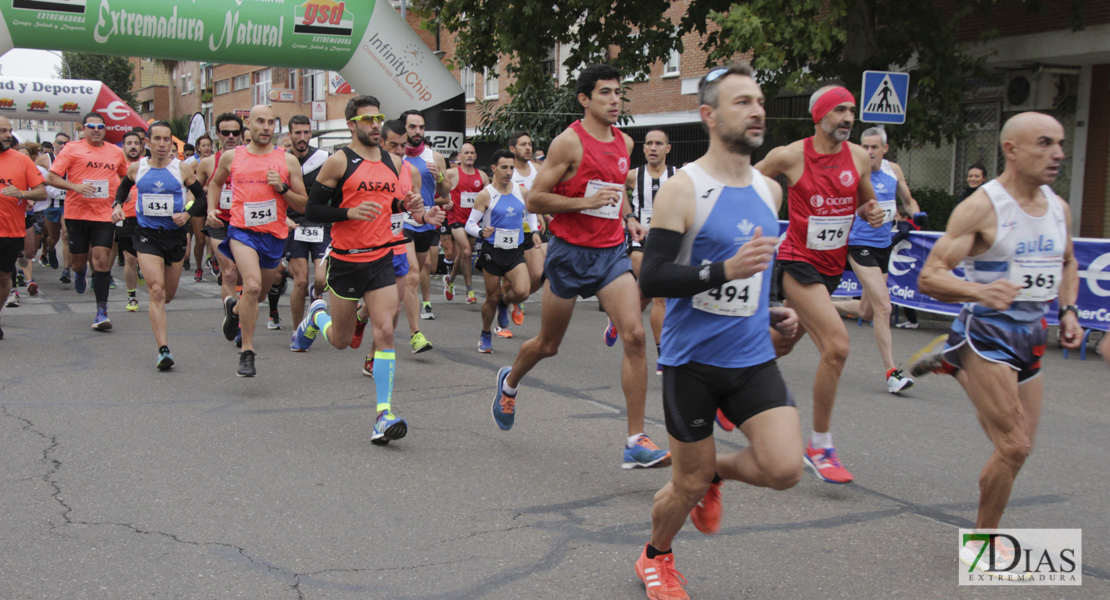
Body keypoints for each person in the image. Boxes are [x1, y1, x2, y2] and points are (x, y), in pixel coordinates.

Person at [633, 62, 803, 600]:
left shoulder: (768, 191)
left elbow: (758, 272)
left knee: (785, 469)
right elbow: (654, 275)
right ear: (708, 116)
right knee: (685, 483)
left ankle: (716, 472)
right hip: (692, 364)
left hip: (751, 357)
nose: (757, 110)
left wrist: (775, 309)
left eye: (759, 101)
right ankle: (654, 558)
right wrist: (722, 271)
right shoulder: (684, 190)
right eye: (742, 102)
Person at [908, 113, 1080, 570]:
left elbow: (1067, 263)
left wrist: (1068, 310)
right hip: (986, 334)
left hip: (1033, 336)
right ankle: (983, 546)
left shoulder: (1058, 208)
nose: (1058, 154)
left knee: (1019, 444)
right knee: (1014, 445)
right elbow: (931, 275)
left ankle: (949, 362)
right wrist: (980, 290)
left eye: (1060, 144)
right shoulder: (983, 208)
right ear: (1012, 149)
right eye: (1045, 143)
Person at [491, 64, 671, 469]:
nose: (613, 100)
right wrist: (583, 204)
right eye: (605, 92)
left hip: (610, 254)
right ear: (585, 99)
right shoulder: (568, 143)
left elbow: (614, 192)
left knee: (636, 335)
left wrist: (626, 216)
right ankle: (511, 381)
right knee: (548, 345)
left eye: (618, 92)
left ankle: (635, 440)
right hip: (569, 253)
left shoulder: (625, 143)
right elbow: (535, 200)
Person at [292, 95, 442, 444]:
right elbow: (313, 210)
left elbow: (394, 204)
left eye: (379, 118)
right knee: (342, 341)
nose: (375, 124)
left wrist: (419, 212)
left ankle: (383, 414)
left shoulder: (393, 162)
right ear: (352, 125)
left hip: (380, 258)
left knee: (385, 331)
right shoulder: (338, 162)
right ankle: (317, 316)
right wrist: (347, 213)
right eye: (368, 119)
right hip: (346, 260)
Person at [754, 84, 884, 484]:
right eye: (840, 110)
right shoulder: (789, 155)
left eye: (851, 111)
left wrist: (872, 212)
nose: (848, 118)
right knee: (837, 346)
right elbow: (748, 184)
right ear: (819, 116)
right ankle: (820, 444)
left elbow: (865, 202)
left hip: (832, 265)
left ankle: (735, 380)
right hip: (798, 262)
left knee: (786, 340)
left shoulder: (859, 157)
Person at [204, 105, 308, 377]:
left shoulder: (287, 161)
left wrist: (282, 188)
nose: (266, 127)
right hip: (242, 231)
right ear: (248, 124)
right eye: (260, 121)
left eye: (271, 122)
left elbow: (304, 204)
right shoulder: (231, 157)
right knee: (250, 286)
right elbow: (215, 183)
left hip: (273, 236)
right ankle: (247, 351)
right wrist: (211, 209)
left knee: (259, 294)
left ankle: (234, 309)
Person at [112, 121, 208, 370]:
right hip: (147, 236)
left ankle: (159, 304)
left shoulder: (182, 169)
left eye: (167, 140)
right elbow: (123, 188)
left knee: (168, 296)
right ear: (148, 143)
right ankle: (163, 350)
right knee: (156, 291)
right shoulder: (137, 168)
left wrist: (187, 215)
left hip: (175, 236)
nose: (163, 144)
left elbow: (202, 199)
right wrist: (117, 206)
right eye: (158, 139)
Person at [832, 127, 920, 393]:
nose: (868, 152)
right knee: (884, 306)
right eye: (864, 146)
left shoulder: (894, 171)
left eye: (873, 147)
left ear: (885, 148)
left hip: (884, 246)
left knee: (868, 311)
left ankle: (820, 304)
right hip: (860, 245)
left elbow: (908, 200)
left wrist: (916, 217)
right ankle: (892, 373)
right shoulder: (855, 171)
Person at [45, 112, 130, 330]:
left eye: (100, 126)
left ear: (105, 129)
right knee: (78, 261)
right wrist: (75, 187)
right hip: (77, 213)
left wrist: (122, 195)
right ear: (83, 128)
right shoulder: (72, 149)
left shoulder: (115, 151)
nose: (96, 130)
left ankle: (101, 312)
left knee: (101, 259)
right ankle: (80, 272)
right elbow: (51, 177)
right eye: (91, 126)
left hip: (104, 214)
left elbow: (125, 176)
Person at [357, 118, 426, 375]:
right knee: (371, 308)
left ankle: (374, 354)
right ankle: (361, 316)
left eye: (403, 146)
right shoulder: (364, 170)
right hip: (366, 244)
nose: (399, 151)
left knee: (394, 306)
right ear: (381, 142)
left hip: (396, 241)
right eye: (393, 146)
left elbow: (417, 212)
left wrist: (425, 214)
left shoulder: (412, 171)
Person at [466, 149, 535, 353]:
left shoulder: (521, 191)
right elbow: (469, 223)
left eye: (512, 167)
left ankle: (505, 304)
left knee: (523, 291)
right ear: (494, 168)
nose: (508, 172)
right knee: (492, 297)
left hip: (514, 250)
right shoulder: (486, 194)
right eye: (504, 167)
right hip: (492, 251)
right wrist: (480, 231)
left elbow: (531, 214)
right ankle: (486, 333)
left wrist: (536, 230)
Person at [620, 129, 676, 372]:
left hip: (668, 241)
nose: (653, 147)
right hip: (639, 241)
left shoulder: (678, 176)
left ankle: (617, 318)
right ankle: (663, 356)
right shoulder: (634, 175)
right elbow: (616, 184)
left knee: (642, 297)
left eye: (658, 144)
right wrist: (630, 215)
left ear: (668, 148)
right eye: (649, 144)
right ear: (643, 149)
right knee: (661, 295)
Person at [400, 109, 452, 326]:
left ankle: (372, 307)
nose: (418, 131)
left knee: (424, 268)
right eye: (412, 127)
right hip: (402, 220)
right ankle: (418, 323)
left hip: (428, 220)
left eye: (421, 127)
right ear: (403, 128)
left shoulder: (434, 156)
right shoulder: (395, 155)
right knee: (413, 273)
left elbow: (446, 191)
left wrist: (439, 176)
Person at [0, 117, 47, 338]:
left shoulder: (21, 160)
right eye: (2, 131)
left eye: (9, 131)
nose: (8, 135)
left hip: (10, 231)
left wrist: (21, 193)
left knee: (3, 278)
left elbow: (41, 192)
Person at [282, 115, 331, 329]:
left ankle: (315, 297)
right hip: (294, 224)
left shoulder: (324, 158)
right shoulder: (281, 160)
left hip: (321, 224)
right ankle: (298, 331)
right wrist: (283, 218)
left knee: (321, 280)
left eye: (306, 132)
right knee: (300, 281)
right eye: (297, 133)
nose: (302, 137)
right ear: (290, 135)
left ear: (311, 133)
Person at [196, 114, 243, 307]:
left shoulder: (251, 159)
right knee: (230, 270)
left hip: (244, 223)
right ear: (218, 135)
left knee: (241, 274)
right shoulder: (207, 163)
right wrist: (206, 210)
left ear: (241, 134)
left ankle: (239, 307)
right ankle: (232, 314)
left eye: (235, 132)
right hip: (219, 223)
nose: (231, 136)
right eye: (226, 132)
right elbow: (195, 193)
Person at [442, 142, 487, 306]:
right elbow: (438, 191)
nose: (469, 155)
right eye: (466, 153)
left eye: (472, 153)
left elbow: (490, 196)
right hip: (456, 220)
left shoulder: (482, 176)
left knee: (462, 254)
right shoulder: (452, 173)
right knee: (467, 252)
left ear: (475, 156)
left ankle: (450, 279)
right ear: (460, 156)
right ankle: (469, 291)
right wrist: (444, 203)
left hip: (473, 222)